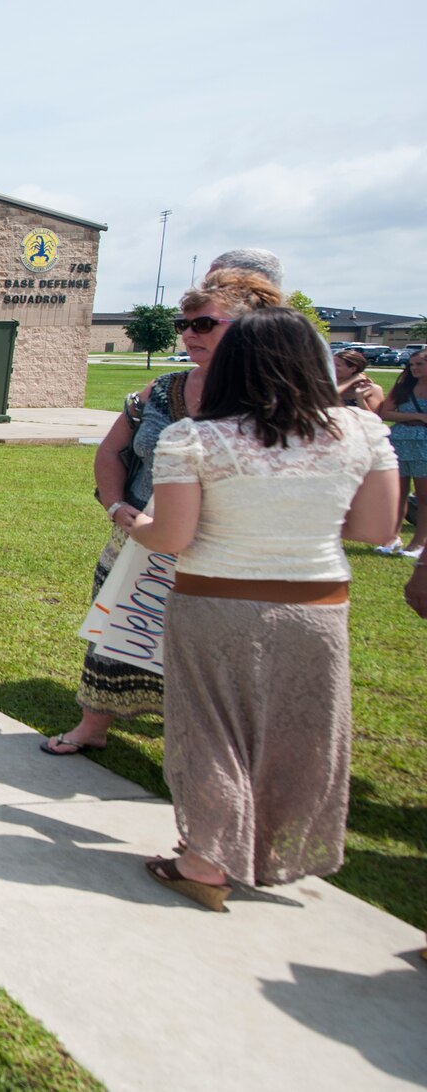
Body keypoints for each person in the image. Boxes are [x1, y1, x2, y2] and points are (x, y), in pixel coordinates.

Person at [126, 307, 398, 908]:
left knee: (210, 730)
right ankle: (275, 851)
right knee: (299, 735)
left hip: (216, 600)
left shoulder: (196, 437)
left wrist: (129, 518)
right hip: (318, 604)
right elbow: (377, 525)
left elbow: (171, 535)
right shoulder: (362, 432)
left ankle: (205, 860)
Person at [44, 265, 282, 756]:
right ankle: (93, 724)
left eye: (204, 324)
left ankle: (201, 742)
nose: (189, 333)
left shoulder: (274, 400)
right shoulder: (162, 389)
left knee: (201, 650)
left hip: (220, 551)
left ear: (248, 331)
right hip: (139, 539)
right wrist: (115, 505)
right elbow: (109, 451)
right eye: (184, 324)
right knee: (114, 628)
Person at [377, 348, 427, 557]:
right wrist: (417, 416)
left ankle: (419, 541)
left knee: (424, 496)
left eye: (419, 364)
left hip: (423, 446)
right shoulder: (403, 387)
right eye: (412, 364)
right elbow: (385, 412)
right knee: (398, 494)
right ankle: (392, 537)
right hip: (399, 442)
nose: (414, 368)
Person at [333, 349, 386, 414]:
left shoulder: (372, 389)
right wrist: (351, 380)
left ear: (353, 369)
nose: (331, 367)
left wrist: (360, 398)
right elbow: (327, 396)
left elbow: (375, 418)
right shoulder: (326, 385)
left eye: (337, 365)